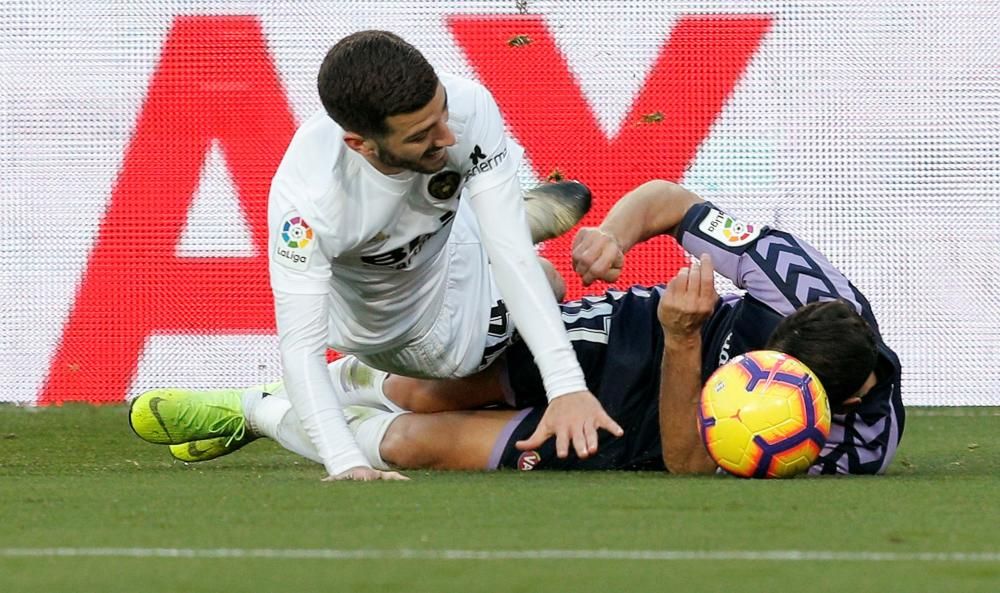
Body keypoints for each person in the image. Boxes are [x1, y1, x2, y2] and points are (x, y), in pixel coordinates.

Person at [130, 180, 904, 477]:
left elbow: (689, 461)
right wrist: (616, 236)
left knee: (415, 443)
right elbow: (671, 200)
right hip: (627, 337)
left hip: (652, 425)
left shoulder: (851, 447)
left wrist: (685, 343)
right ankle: (264, 399)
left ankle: (259, 415)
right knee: (418, 390)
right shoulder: (800, 280)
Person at [128, 30, 623, 481]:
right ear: (360, 144)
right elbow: (301, 347)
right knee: (540, 284)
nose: (447, 136)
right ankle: (261, 409)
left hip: (447, 251)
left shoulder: (467, 106)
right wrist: (346, 463)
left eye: (442, 114)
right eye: (421, 135)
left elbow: (510, 256)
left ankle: (495, 218)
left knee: (520, 259)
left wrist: (566, 387)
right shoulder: (309, 205)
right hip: (412, 336)